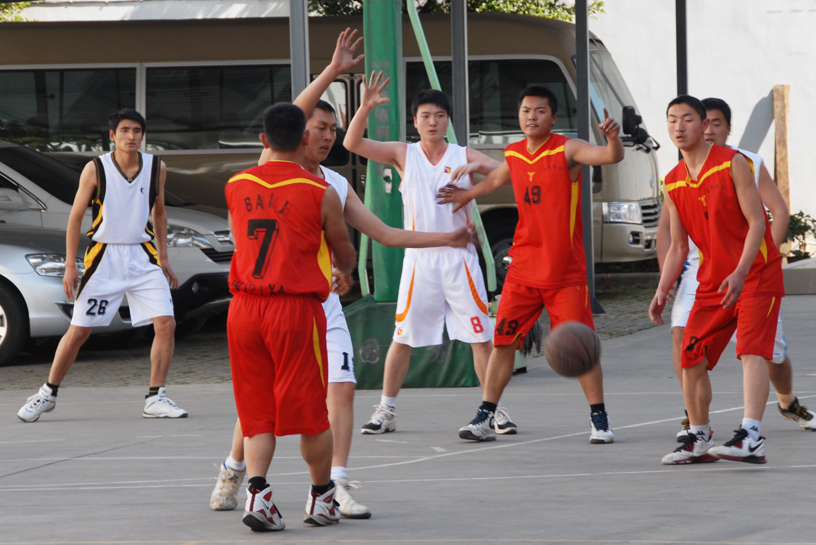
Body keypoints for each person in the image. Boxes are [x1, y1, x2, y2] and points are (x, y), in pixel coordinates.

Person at [210, 29, 470, 518]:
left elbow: (386, 233)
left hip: (294, 306)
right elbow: (289, 116)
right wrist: (331, 71)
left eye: (334, 129)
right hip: (295, 306)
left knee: (337, 390)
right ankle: (243, 471)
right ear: (299, 134)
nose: (328, 136)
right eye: (319, 127)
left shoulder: (312, 182)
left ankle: (330, 484)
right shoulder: (290, 177)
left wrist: (444, 238)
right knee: (291, 407)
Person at [437, 85, 624, 442]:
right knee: (503, 341)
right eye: (526, 110)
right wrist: (468, 194)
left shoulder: (568, 149)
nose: (531, 116)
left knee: (581, 344)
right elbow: (496, 178)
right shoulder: (515, 153)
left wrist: (613, 139)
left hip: (564, 271)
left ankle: (599, 418)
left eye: (539, 111)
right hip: (523, 268)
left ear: (553, 117)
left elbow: (609, 157)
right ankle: (485, 415)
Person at [342, 72, 516, 436]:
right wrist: (365, 106)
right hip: (420, 259)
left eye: (439, 115)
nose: (432, 121)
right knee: (402, 337)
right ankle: (386, 410)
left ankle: (493, 409)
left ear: (448, 120)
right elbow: (352, 142)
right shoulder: (403, 154)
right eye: (425, 116)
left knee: (480, 338)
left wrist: (476, 175)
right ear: (415, 121)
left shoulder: (462, 155)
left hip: (459, 260)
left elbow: (510, 173)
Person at [657, 97, 816, 445]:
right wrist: (662, 287)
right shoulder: (672, 181)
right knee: (689, 352)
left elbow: (761, 220)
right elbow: (677, 245)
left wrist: (749, 266)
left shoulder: (737, 162)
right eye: (672, 119)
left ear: (706, 125)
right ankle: (698, 433)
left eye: (687, 119)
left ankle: (754, 432)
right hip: (711, 277)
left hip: (754, 273)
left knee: (757, 351)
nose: (679, 126)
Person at [226, 102, 356, 532]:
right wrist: (344, 270)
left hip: (244, 308)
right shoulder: (320, 191)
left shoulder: (236, 185)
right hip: (293, 309)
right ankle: (322, 498)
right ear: (304, 138)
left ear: (263, 140)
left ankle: (258, 495)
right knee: (311, 412)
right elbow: (344, 252)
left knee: (256, 411)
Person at [17, 109, 187, 422]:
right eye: (124, 130)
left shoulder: (156, 167)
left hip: (143, 257)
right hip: (104, 258)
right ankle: (47, 393)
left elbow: (160, 212)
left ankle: (155, 397)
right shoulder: (96, 168)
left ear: (143, 135)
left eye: (136, 131)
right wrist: (71, 265)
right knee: (79, 330)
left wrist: (163, 258)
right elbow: (75, 218)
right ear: (112, 135)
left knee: (166, 323)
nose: (131, 136)